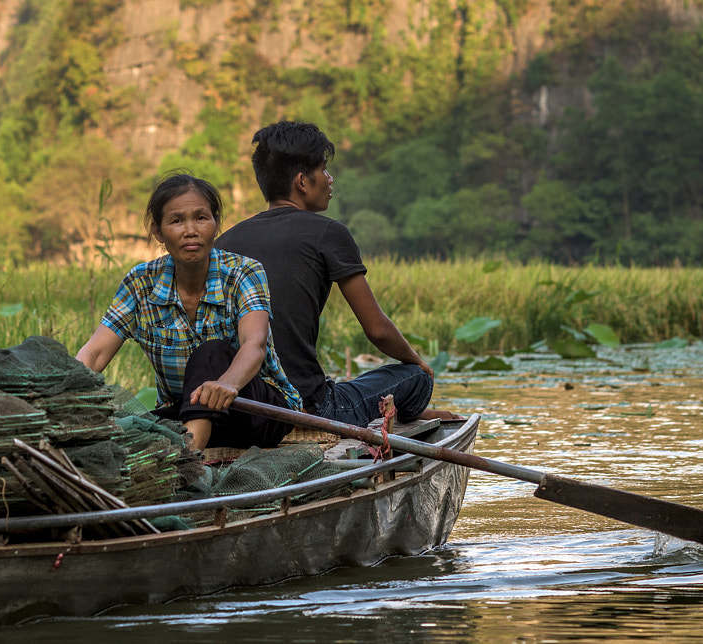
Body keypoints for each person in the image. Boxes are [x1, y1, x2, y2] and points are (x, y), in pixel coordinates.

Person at [216, 121, 457, 427]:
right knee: (414, 377)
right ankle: (410, 409)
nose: (330, 180)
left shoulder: (226, 241)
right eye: (324, 170)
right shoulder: (328, 233)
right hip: (309, 407)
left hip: (244, 404)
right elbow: (377, 330)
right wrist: (418, 362)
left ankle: (405, 411)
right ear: (302, 182)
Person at [75, 173, 301, 451]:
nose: (190, 230)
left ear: (216, 224)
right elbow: (95, 352)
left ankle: (186, 458)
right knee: (137, 428)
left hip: (256, 411)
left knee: (212, 352)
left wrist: (228, 383)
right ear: (158, 231)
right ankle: (187, 443)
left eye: (201, 218)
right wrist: (62, 394)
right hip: (185, 412)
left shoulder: (244, 272)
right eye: (177, 220)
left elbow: (254, 345)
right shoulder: (140, 283)